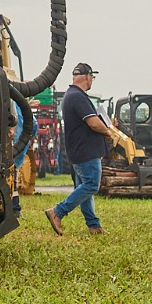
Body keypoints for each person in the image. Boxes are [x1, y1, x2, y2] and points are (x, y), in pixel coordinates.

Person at [46, 63, 109, 236]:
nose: (92, 81)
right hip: (86, 150)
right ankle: (57, 212)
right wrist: (108, 131)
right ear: (87, 77)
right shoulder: (78, 97)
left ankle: (93, 225)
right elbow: (93, 123)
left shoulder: (71, 95)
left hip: (78, 149)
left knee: (84, 186)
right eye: (92, 77)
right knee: (91, 185)